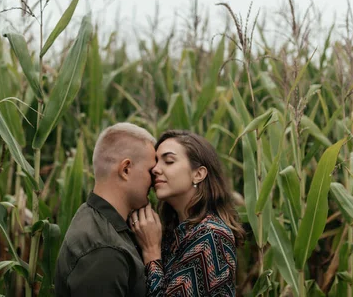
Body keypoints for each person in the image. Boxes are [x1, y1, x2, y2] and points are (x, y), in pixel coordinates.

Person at [131, 130, 246, 296]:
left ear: (198, 174)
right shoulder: (176, 232)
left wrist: (151, 252)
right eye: (155, 162)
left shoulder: (211, 236)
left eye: (169, 161)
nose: (155, 169)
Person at [54, 123, 157, 297]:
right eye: (151, 172)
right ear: (125, 169)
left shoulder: (93, 217)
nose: (154, 182)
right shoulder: (105, 251)